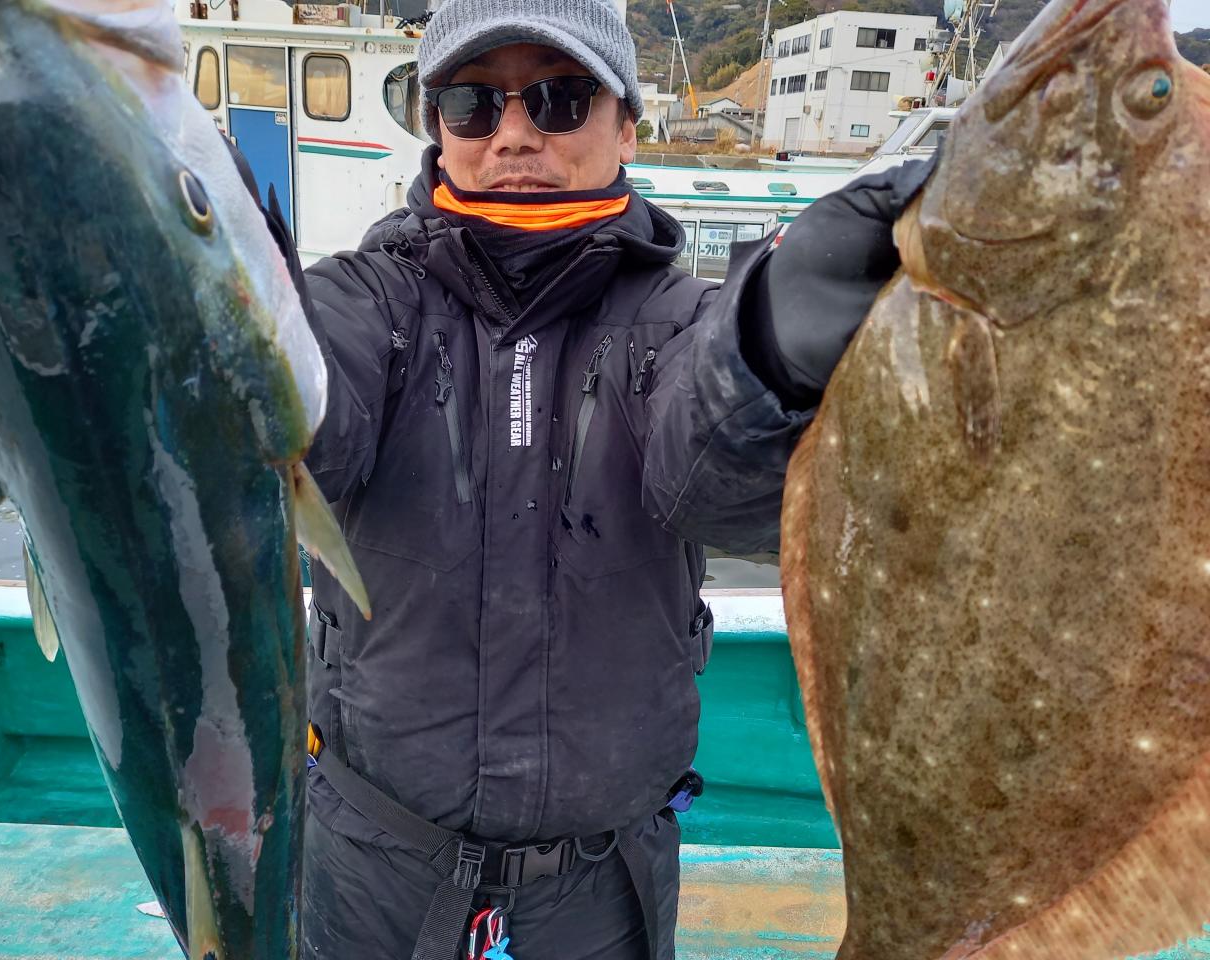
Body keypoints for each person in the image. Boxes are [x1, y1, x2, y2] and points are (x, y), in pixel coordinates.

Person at [237, 0, 933, 955]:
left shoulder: (685, 319)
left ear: (627, 126)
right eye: (474, 104)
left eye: (560, 98)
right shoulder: (367, 299)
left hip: (604, 894)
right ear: (437, 126)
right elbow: (300, 422)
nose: (514, 134)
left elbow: (715, 479)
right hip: (367, 875)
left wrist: (773, 334)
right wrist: (232, 325)